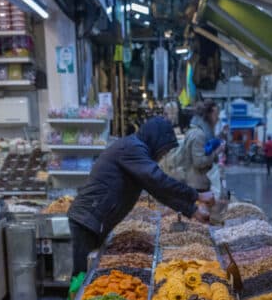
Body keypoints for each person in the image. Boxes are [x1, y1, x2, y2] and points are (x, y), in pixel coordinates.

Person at [68, 117, 213, 276]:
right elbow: (157, 180)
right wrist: (197, 195)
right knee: (82, 277)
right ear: (156, 140)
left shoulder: (137, 151)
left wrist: (192, 210)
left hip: (95, 219)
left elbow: (158, 190)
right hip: (88, 220)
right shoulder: (132, 148)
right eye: (163, 150)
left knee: (88, 272)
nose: (163, 155)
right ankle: (72, 299)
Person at [173, 100, 222, 193]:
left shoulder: (199, 131)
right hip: (196, 185)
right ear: (209, 115)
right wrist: (216, 153)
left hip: (197, 183)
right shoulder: (199, 135)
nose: (217, 119)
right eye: (216, 115)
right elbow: (199, 162)